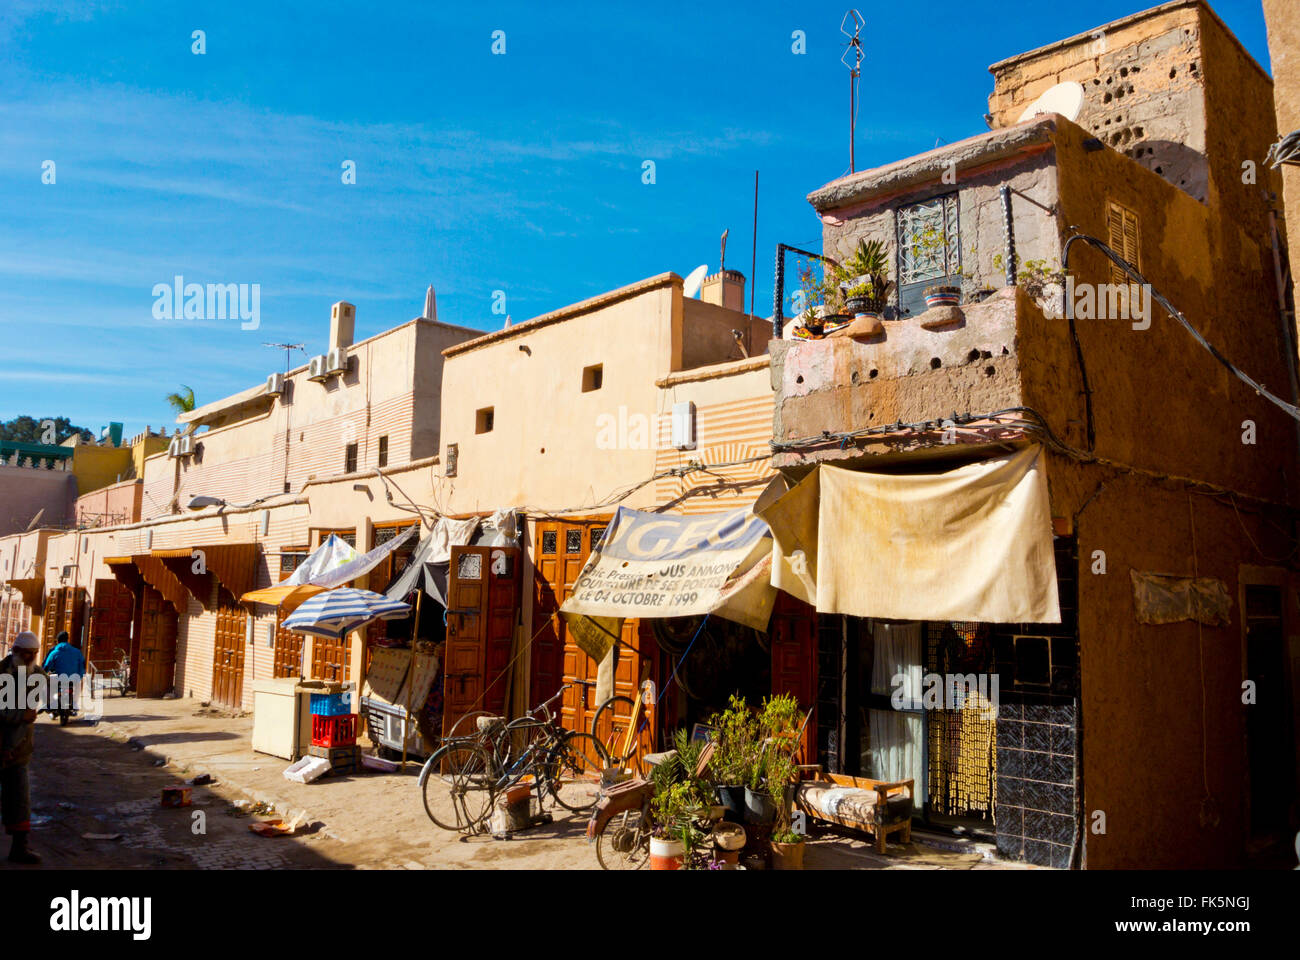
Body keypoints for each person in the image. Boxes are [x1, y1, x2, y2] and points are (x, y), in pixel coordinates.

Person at [1, 631, 43, 864]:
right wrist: (20, 715)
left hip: (19, 750)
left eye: (33, 655)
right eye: (25, 654)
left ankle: (19, 848)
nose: (28, 658)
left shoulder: (34, 673)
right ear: (15, 651)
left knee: (19, 799)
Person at [42, 630, 85, 717]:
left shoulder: (54, 652)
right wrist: (80, 676)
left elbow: (46, 666)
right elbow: (82, 666)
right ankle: (75, 703)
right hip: (73, 679)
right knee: (79, 683)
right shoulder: (77, 652)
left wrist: (43, 673)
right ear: (67, 640)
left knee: (46, 684)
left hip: (58, 679)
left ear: (57, 641)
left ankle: (49, 705)